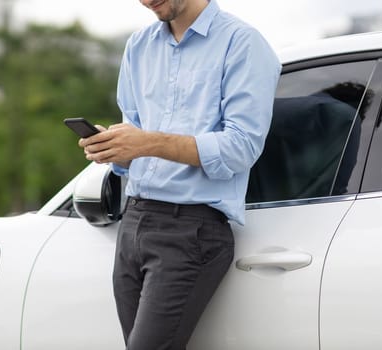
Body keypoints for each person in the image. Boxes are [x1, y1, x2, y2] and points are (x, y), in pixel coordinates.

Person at [78, 0, 280, 349]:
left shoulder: (242, 43)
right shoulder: (138, 47)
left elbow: (241, 147)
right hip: (133, 223)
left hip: (191, 231)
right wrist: (114, 148)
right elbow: (136, 133)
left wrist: (144, 143)